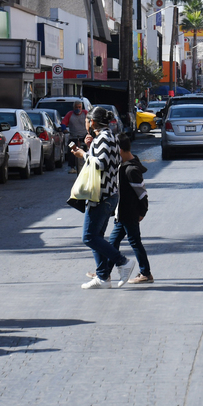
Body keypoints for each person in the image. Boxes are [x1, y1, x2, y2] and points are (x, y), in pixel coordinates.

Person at [73, 106, 135, 289]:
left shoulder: (104, 138)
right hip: (107, 194)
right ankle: (102, 277)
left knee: (89, 237)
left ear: (92, 122)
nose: (86, 123)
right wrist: (89, 148)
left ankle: (122, 262)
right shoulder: (107, 137)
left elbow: (99, 164)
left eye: (87, 120)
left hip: (102, 195)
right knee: (97, 236)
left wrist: (82, 154)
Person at [109, 133, 153, 284]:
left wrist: (142, 212)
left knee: (134, 242)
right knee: (112, 243)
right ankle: (103, 273)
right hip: (122, 213)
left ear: (120, 150)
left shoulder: (130, 170)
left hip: (129, 213)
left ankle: (145, 273)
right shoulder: (124, 166)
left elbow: (142, 194)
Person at [64, 100, 88, 174]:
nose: (78, 109)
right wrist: (64, 129)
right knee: (70, 151)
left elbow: (90, 121)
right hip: (73, 136)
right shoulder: (70, 114)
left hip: (84, 136)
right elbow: (63, 123)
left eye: (79, 107)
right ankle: (72, 167)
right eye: (76, 107)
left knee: (88, 148)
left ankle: (87, 164)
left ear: (81, 107)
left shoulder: (85, 113)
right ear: (73, 108)